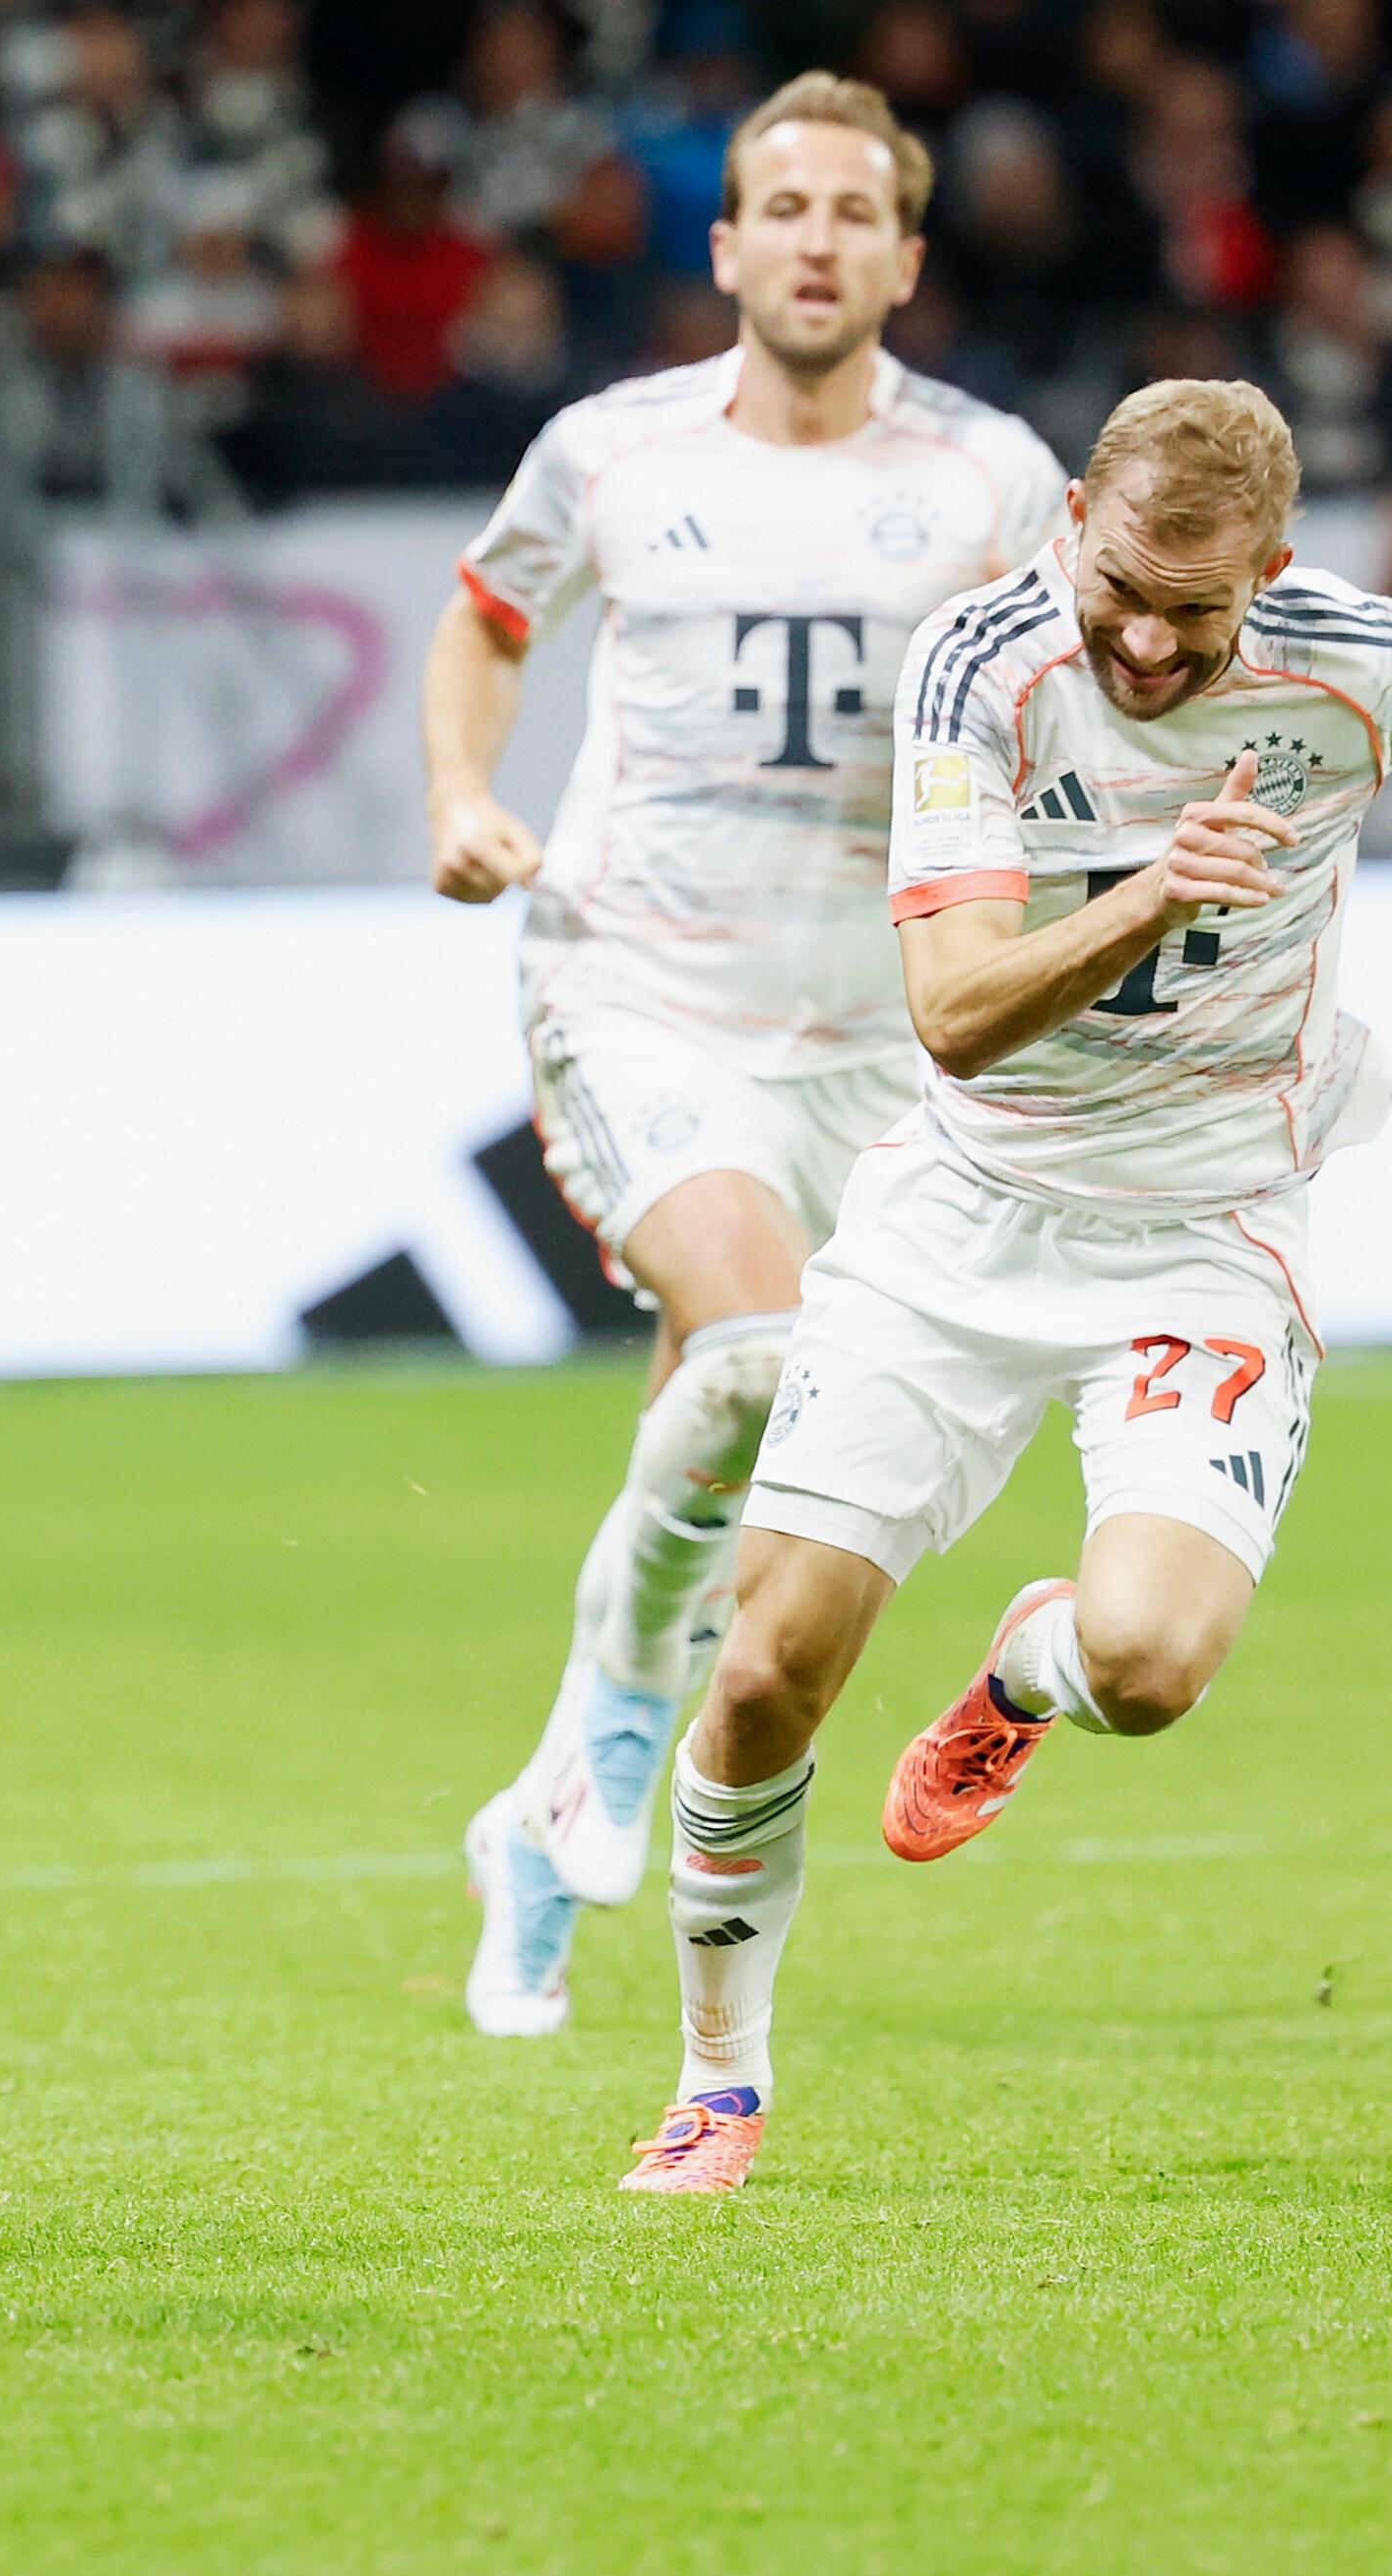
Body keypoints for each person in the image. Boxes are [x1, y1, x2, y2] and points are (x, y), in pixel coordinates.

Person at [616, 378, 1392, 2194]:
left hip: (1206, 1230)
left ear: (1276, 570)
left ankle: (1029, 1664)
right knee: (769, 1671)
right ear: (1072, 524)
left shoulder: (1368, 664)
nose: (1152, 644)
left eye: (1199, 609)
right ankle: (720, 2084)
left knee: (1149, 1668)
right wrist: (1155, 896)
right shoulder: (977, 667)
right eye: (1122, 593)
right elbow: (956, 1017)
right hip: (961, 1220)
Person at [422, 72, 1068, 2042]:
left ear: (904, 257)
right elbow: (486, 618)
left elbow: (1078, 703)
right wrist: (462, 792)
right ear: (721, 246)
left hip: (889, 1038)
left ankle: (543, 1820)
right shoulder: (611, 451)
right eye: (779, 205)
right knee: (761, 1345)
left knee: (751, 1458)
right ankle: (614, 1739)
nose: (812, 238)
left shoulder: (991, 479)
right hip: (641, 987)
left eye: (851, 211)